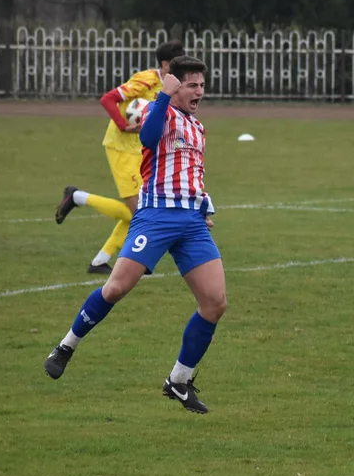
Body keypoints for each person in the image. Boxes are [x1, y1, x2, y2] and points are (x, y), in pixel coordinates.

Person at [44, 56, 227, 415]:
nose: (199, 92)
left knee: (215, 303)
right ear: (174, 85)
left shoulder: (198, 127)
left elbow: (194, 173)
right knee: (115, 288)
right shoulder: (159, 112)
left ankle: (178, 381)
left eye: (202, 85)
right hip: (155, 217)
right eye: (192, 85)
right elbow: (147, 136)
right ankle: (65, 346)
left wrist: (205, 207)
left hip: (191, 222)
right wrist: (162, 97)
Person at [54, 40, 213, 274]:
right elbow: (108, 99)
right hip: (122, 147)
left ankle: (100, 260)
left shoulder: (177, 88)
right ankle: (77, 197)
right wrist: (122, 125)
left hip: (147, 151)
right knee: (136, 210)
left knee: (142, 209)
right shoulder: (146, 80)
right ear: (165, 64)